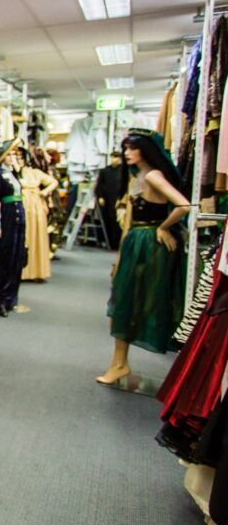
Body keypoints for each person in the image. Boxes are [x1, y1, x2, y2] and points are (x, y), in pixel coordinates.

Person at [98, 129, 190, 385]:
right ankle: (119, 363)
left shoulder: (153, 176)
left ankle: (120, 364)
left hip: (149, 245)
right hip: (135, 243)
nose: (126, 153)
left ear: (144, 150)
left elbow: (182, 205)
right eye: (125, 148)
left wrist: (162, 227)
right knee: (124, 300)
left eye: (131, 148)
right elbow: (130, 219)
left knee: (135, 301)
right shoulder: (138, 176)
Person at [0, 139, 27, 317]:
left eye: (14, 154)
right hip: (7, 217)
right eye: (10, 154)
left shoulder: (14, 174)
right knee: (6, 258)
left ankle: (12, 297)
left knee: (17, 258)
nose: (13, 157)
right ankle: (2, 299)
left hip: (19, 217)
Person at [15, 147, 58, 281]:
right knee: (24, 238)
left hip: (35, 208)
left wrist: (44, 192)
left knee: (36, 238)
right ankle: (23, 271)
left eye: (21, 157)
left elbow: (53, 182)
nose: (18, 160)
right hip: (21, 207)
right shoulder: (13, 173)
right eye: (17, 157)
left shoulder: (34, 172)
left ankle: (37, 271)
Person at [94, 150, 124, 249]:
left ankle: (117, 243)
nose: (113, 160)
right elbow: (99, 185)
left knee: (118, 220)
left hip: (118, 199)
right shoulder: (105, 171)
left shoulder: (124, 171)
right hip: (107, 199)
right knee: (108, 219)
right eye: (112, 157)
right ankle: (109, 242)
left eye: (116, 157)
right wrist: (100, 197)